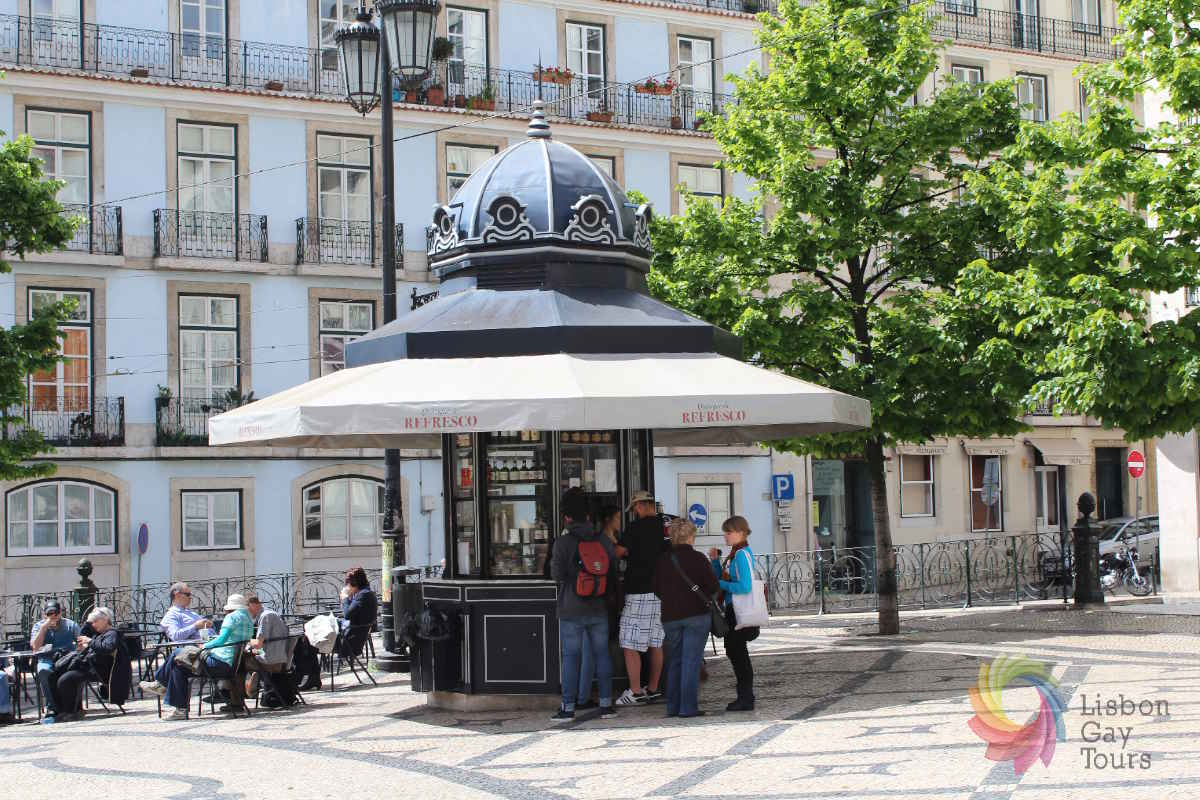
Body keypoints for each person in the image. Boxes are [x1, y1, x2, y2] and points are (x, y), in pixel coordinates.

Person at [550, 487, 617, 721]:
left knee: (571, 657)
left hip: (571, 607)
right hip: (598, 607)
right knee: (602, 655)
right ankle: (606, 706)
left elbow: (556, 575)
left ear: (566, 517)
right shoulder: (603, 540)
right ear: (588, 515)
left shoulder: (562, 543)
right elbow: (613, 570)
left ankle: (568, 708)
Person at [140, 593, 255, 719]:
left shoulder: (231, 617)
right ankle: (174, 702)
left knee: (177, 653)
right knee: (179, 667)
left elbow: (222, 639)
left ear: (230, 608)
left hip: (220, 663)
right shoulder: (248, 619)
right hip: (232, 665)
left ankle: (162, 686)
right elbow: (231, 639)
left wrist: (206, 645)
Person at [653, 518, 720, 719]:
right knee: (691, 661)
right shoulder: (698, 558)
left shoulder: (662, 560)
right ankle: (688, 707)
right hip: (697, 615)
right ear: (690, 537)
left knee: (674, 660)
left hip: (670, 617)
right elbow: (713, 586)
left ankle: (673, 707)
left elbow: (656, 589)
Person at [615, 490, 668, 705]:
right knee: (656, 641)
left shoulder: (635, 527)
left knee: (629, 642)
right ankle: (653, 688)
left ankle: (635, 692)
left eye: (635, 507)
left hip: (638, 591)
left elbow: (618, 552)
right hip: (660, 591)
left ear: (640, 505)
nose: (635, 511)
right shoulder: (665, 525)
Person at [709, 515, 760, 711]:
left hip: (739, 610)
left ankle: (746, 698)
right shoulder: (736, 553)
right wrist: (715, 562)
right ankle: (745, 697)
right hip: (735, 609)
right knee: (736, 652)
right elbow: (725, 578)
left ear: (740, 532)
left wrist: (720, 584)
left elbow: (745, 586)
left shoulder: (740, 555)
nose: (726, 536)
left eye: (729, 532)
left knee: (738, 654)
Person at [48, 607, 130, 723]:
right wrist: (88, 621)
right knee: (53, 675)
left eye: (95, 621)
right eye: (92, 622)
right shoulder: (98, 633)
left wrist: (90, 641)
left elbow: (107, 648)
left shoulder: (112, 633)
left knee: (66, 679)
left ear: (105, 620)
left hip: (101, 670)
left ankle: (71, 711)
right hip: (88, 666)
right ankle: (61, 710)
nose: (93, 624)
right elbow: (83, 634)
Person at [245, 596, 300, 707]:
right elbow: (262, 646)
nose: (247, 613)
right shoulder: (270, 614)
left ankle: (240, 696)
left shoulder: (266, 616)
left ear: (253, 605)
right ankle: (253, 684)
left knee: (240, 660)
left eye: (246, 609)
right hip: (276, 655)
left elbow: (258, 644)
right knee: (247, 654)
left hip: (271, 660)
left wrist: (245, 640)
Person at [30, 600, 81, 719]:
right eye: (49, 614)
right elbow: (35, 647)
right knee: (43, 671)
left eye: (56, 613)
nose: (53, 616)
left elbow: (81, 640)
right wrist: (44, 628)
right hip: (46, 658)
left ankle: (72, 706)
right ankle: (52, 707)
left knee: (74, 670)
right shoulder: (39, 626)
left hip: (66, 658)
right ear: (45, 615)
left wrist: (77, 648)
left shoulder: (70, 625)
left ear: (60, 613)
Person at [336, 567, 378, 659]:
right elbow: (352, 613)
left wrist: (345, 598)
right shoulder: (365, 593)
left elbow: (347, 615)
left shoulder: (363, 595)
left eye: (348, 584)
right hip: (352, 633)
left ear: (353, 583)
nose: (347, 587)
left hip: (350, 640)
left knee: (312, 637)